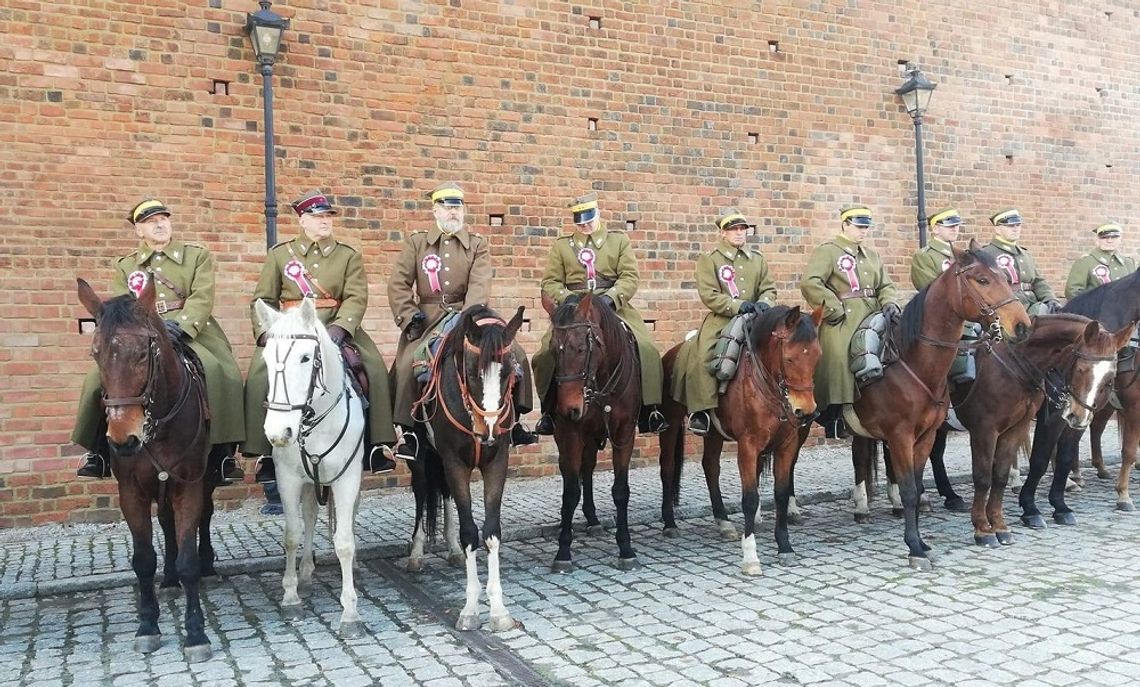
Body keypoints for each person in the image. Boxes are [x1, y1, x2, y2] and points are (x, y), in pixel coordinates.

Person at [73, 199, 246, 482]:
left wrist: (181, 325)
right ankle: (98, 451)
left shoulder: (196, 256)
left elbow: (202, 296)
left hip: (190, 329)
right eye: (151, 221)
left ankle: (224, 453)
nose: (160, 224)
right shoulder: (126, 265)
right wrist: (146, 327)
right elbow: (123, 306)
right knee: (96, 379)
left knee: (220, 371)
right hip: (142, 332)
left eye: (164, 218)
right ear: (139, 231)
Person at [242, 189, 397, 482]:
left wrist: (341, 328)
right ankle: (263, 451)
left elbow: (355, 297)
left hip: (334, 326)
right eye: (317, 216)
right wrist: (266, 333)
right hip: (289, 329)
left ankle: (378, 445)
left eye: (327, 216)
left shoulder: (347, 255)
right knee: (260, 374)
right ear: (302, 220)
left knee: (373, 368)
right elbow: (262, 299)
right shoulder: (279, 255)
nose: (325, 221)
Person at [386, 181, 537, 460]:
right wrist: (409, 316)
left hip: (470, 318)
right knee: (407, 364)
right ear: (435, 210)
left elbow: (480, 284)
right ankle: (407, 433)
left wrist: (466, 319)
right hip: (427, 319)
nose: (453, 212)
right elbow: (398, 284)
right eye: (446, 206)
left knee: (515, 354)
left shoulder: (477, 245)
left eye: (457, 207)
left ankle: (514, 423)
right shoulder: (417, 243)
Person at [532, 192, 667, 435]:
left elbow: (629, 277)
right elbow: (550, 282)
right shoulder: (562, 246)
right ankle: (548, 412)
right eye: (580, 222)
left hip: (613, 306)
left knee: (647, 349)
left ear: (598, 215)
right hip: (575, 310)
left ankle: (650, 410)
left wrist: (610, 298)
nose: (585, 226)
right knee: (544, 353)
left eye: (589, 220)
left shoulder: (618, 241)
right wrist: (568, 299)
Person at [671, 208, 777, 436]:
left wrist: (765, 302)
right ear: (722, 233)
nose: (739, 233)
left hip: (757, 318)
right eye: (733, 229)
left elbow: (769, 287)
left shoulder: (757, 259)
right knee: (703, 356)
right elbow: (708, 294)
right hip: (722, 320)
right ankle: (702, 411)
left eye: (742, 229)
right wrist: (737, 306)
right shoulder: (710, 260)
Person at [799, 206, 901, 439]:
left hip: (874, 312)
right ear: (845, 224)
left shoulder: (872, 255)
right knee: (839, 355)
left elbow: (886, 285)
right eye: (859, 226)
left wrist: (889, 302)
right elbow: (810, 282)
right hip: (843, 317)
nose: (863, 231)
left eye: (866, 227)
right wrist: (833, 308)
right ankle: (836, 413)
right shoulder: (828, 251)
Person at [979, 207, 1060, 315]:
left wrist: (1050, 299)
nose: (1015, 229)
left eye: (1018, 225)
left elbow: (1038, 281)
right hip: (1006, 309)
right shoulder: (986, 254)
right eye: (1010, 226)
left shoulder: (1025, 254)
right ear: (997, 229)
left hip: (1033, 305)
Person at [1064, 223, 1136, 299]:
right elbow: (1073, 292)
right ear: (1097, 240)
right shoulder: (1086, 261)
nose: (1109, 241)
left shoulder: (1128, 263)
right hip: (1095, 310)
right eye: (1104, 237)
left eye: (1114, 237)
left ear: (1120, 239)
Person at [910, 208, 963, 290]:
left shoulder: (961, 255)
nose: (955, 229)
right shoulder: (924, 256)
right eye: (949, 225)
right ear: (935, 229)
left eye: (957, 225)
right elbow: (931, 290)